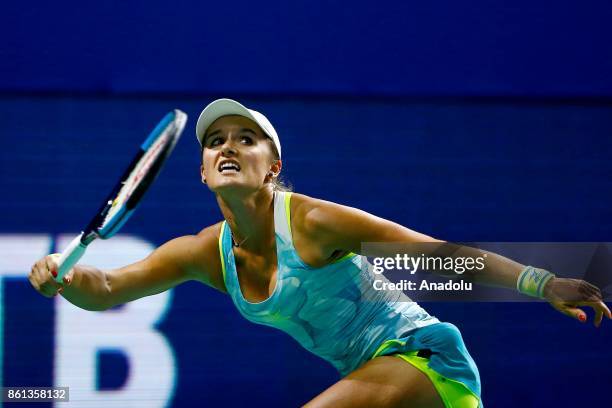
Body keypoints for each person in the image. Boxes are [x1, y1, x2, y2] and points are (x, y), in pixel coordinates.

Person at [29, 99, 610, 408]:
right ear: (204, 174)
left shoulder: (311, 221)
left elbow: (434, 255)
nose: (227, 147)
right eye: (214, 143)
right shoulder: (205, 253)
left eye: (245, 139)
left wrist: (541, 283)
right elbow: (107, 289)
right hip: (375, 385)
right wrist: (64, 278)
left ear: (272, 167)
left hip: (425, 363)